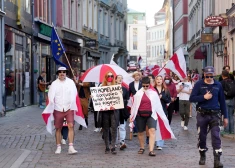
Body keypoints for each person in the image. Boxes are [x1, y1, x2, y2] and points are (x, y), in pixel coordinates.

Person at [189, 66, 228, 167]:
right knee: (202, 136)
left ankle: (217, 160)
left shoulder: (218, 85)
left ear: (214, 74)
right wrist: (203, 97)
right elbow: (192, 98)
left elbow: (222, 102)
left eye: (211, 75)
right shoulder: (199, 84)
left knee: (216, 136)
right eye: (207, 75)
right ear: (204, 74)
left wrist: (226, 116)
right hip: (202, 114)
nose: (209, 77)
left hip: (215, 114)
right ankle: (202, 154)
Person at [48, 67, 79, 154]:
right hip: (58, 108)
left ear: (66, 73)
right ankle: (58, 147)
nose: (62, 73)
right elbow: (50, 96)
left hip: (69, 107)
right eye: (60, 72)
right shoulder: (54, 84)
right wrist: (51, 106)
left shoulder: (70, 82)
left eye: (64, 72)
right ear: (58, 73)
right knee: (58, 128)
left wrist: (73, 104)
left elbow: (75, 93)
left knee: (71, 126)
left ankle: (71, 147)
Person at [101, 72, 119, 154]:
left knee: (114, 127)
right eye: (109, 76)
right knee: (106, 128)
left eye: (112, 76)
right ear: (106, 77)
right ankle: (107, 146)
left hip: (114, 111)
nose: (110, 77)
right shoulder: (102, 87)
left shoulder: (116, 87)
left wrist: (120, 94)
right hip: (105, 111)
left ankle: (113, 146)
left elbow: (119, 98)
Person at [154, 75, 171, 150]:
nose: (159, 80)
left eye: (160, 79)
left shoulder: (166, 90)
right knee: (155, 127)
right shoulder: (153, 89)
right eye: (157, 79)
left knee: (161, 126)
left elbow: (169, 100)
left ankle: (159, 144)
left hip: (163, 111)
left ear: (162, 81)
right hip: (154, 110)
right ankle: (154, 140)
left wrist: (162, 97)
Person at [116, 75, 130, 150]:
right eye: (118, 78)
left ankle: (122, 141)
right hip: (114, 110)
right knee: (114, 126)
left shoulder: (125, 89)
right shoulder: (112, 88)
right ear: (115, 80)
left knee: (122, 126)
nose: (120, 79)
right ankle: (114, 142)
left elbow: (127, 100)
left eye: (121, 78)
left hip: (122, 110)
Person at [220, 70, 234, 134]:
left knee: (226, 115)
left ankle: (226, 130)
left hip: (225, 100)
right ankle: (232, 130)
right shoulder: (232, 81)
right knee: (231, 115)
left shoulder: (222, 82)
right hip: (232, 100)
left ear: (222, 75)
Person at [129, 71, 142, 136]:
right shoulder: (131, 84)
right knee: (134, 115)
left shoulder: (142, 83)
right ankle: (135, 130)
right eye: (135, 75)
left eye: (138, 75)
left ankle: (140, 128)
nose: (137, 77)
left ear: (140, 76)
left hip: (141, 101)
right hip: (134, 101)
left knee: (140, 115)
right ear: (133, 77)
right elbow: (129, 94)